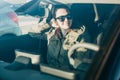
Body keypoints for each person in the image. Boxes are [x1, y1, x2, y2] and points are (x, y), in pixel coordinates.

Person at [37, 4, 92, 79]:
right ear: (55, 20)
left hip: (67, 76)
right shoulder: (51, 32)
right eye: (61, 18)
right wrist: (49, 24)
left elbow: (80, 65)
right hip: (48, 73)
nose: (66, 20)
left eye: (69, 17)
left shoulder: (81, 35)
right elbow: (32, 32)